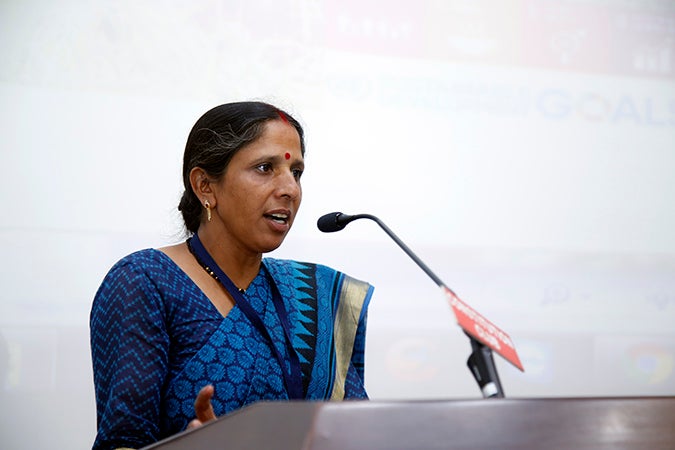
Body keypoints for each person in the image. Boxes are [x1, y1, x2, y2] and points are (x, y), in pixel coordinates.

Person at [89, 101, 374, 450]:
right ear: (205, 186)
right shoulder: (146, 282)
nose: (290, 189)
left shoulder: (314, 296)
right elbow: (122, 441)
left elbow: (360, 434)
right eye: (265, 168)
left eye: (296, 172)